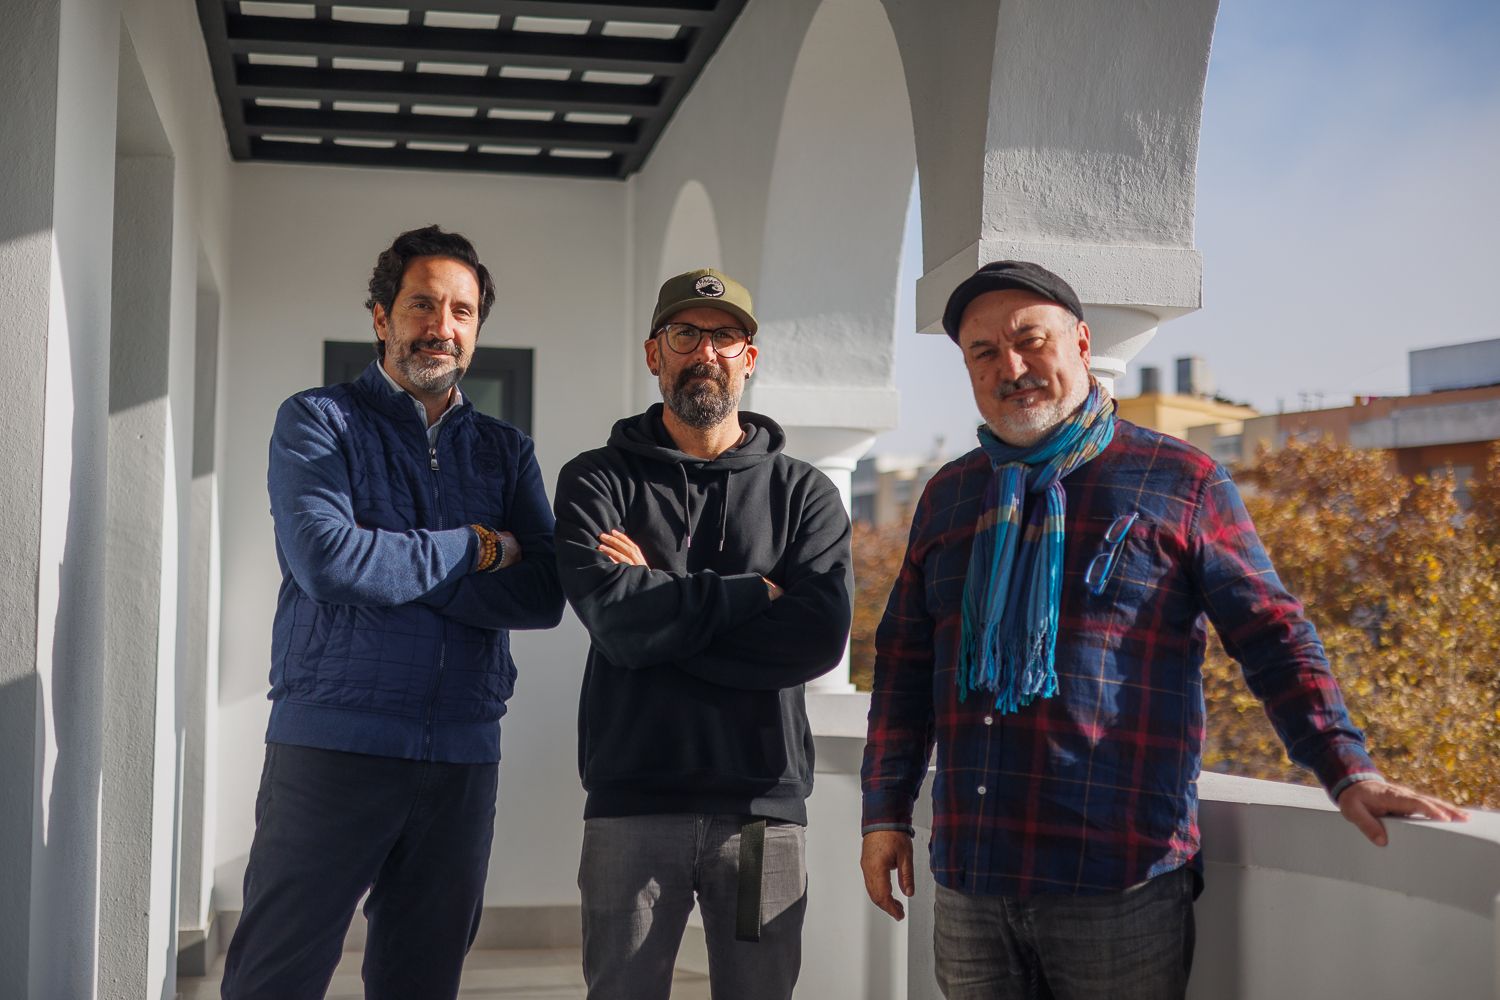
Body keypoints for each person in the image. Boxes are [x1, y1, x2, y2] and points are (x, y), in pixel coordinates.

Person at [858, 261, 1468, 1000]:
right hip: (970, 877)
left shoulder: (1181, 479)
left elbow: (1272, 634)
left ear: (1081, 342)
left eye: (1030, 340)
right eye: (982, 353)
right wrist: (884, 814)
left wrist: (1347, 767)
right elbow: (902, 666)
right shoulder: (950, 495)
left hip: (1119, 879)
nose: (1010, 366)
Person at [221, 225, 565, 1000]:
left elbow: (544, 594)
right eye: (422, 305)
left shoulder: (506, 451)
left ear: (477, 329)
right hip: (334, 742)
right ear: (382, 317)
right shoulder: (318, 422)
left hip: (462, 757)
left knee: (422, 980)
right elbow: (330, 561)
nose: (441, 326)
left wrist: (399, 561)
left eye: (462, 311)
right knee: (275, 976)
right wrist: (479, 547)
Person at [552, 268, 853, 1000]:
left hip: (761, 813)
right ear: (654, 353)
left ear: (749, 357)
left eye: (725, 337)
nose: (705, 352)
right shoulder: (596, 480)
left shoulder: (804, 493)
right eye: (686, 334)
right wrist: (756, 594)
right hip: (632, 800)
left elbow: (815, 639)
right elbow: (615, 624)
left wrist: (661, 603)